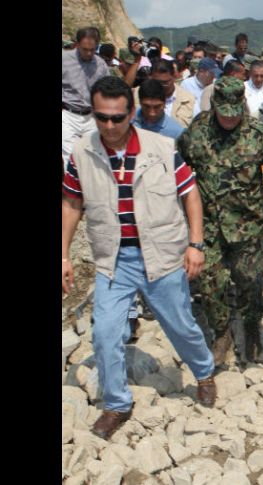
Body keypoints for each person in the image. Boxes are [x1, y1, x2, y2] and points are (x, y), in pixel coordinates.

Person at [62, 76, 216, 440]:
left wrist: (196, 244)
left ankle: (204, 371)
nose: (110, 126)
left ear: (131, 113)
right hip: (113, 259)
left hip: (162, 255)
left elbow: (190, 194)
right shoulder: (81, 153)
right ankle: (117, 404)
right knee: (105, 333)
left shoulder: (162, 147)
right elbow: (71, 204)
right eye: (102, 117)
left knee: (180, 325)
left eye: (117, 117)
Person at [177, 77, 263, 364]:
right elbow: (180, 169)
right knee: (210, 284)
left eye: (234, 112)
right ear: (214, 106)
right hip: (209, 225)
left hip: (247, 226)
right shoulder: (197, 131)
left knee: (249, 282)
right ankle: (222, 332)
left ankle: (251, 329)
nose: (228, 118)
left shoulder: (258, 134)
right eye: (223, 113)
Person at [62, 26, 110, 166]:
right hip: (68, 115)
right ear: (77, 45)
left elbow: (106, 90)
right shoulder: (64, 60)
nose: (89, 53)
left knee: (92, 154)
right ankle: (71, 187)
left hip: (92, 117)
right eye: (85, 49)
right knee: (69, 156)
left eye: (93, 49)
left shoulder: (100, 65)